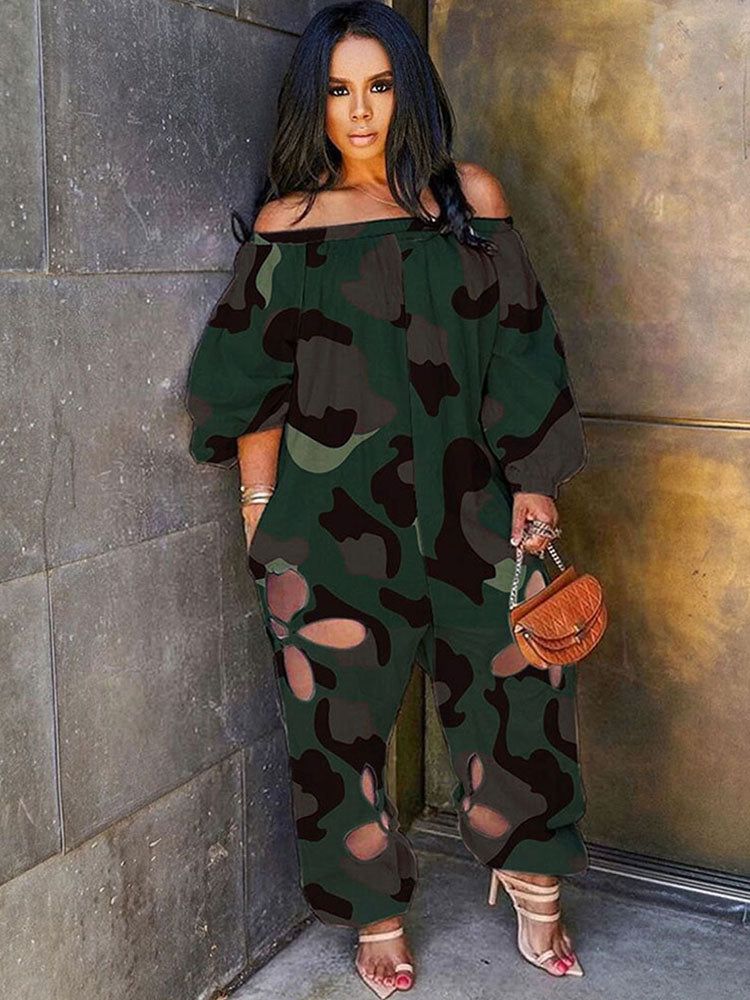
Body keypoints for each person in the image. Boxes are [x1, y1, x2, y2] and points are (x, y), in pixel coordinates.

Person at [185, 2, 589, 995]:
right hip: (328, 522)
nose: (360, 111)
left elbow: (524, 349)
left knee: (520, 690)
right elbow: (248, 382)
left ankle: (532, 877)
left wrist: (535, 482)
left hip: (476, 506)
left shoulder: (469, 200)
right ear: (313, 102)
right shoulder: (288, 225)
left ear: (410, 91)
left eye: (379, 85)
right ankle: (374, 911)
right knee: (336, 723)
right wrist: (257, 506)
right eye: (337, 90)